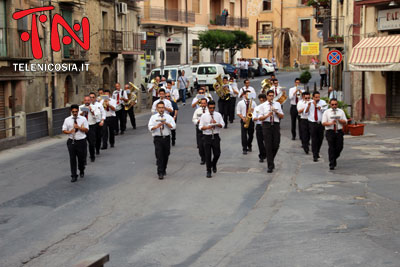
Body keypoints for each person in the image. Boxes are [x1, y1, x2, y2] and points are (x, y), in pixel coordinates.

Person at [148, 101, 176, 180]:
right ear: (157, 109)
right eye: (159, 108)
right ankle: (160, 172)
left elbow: (173, 127)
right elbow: (150, 127)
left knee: (166, 154)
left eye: (162, 107)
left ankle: (164, 168)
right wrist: (156, 126)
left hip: (166, 137)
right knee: (159, 155)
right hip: (158, 138)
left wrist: (166, 123)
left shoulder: (168, 117)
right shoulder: (153, 117)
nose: (161, 109)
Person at [258, 90, 284, 173]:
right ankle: (270, 165)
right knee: (268, 145)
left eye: (272, 96)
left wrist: (276, 112)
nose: (271, 97)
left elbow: (282, 116)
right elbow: (260, 118)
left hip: (275, 125)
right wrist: (267, 115)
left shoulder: (277, 104)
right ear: (267, 96)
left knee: (276, 144)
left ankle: (271, 159)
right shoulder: (262, 106)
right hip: (266, 125)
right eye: (269, 95)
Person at [62, 104, 89, 182]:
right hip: (72, 141)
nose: (75, 113)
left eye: (76, 111)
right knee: (72, 159)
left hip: (81, 141)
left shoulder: (83, 119)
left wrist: (79, 127)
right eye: (73, 111)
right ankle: (74, 175)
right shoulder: (67, 120)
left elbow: (86, 130)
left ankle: (81, 169)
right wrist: (69, 131)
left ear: (78, 111)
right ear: (71, 111)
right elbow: (64, 130)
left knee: (81, 158)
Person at [199, 100, 225, 178]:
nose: (212, 109)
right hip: (207, 136)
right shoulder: (204, 116)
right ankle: (208, 170)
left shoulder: (218, 115)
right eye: (210, 108)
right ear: (208, 107)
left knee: (217, 153)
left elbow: (222, 125)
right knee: (208, 155)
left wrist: (216, 123)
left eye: (213, 108)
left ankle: (214, 164)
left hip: (216, 135)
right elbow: (200, 127)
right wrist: (207, 127)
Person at [322, 98, 347, 170]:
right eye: (332, 104)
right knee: (331, 147)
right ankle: (332, 163)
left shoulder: (341, 112)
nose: (334, 106)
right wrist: (330, 123)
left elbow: (345, 122)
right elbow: (323, 123)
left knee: (340, 146)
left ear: (337, 104)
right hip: (330, 131)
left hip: (339, 131)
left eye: (335, 104)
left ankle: (334, 158)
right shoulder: (327, 112)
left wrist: (339, 120)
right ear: (330, 105)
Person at [304, 91, 327, 162]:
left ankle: (317, 151)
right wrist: (308, 106)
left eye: (318, 97)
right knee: (314, 139)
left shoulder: (323, 102)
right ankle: (314, 155)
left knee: (320, 138)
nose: (318, 98)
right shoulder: (309, 102)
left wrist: (317, 106)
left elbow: (325, 111)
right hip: (312, 123)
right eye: (316, 97)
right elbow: (305, 112)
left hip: (320, 123)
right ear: (313, 97)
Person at [79, 95, 100, 163]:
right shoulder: (80, 107)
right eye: (86, 100)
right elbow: (78, 116)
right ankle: (83, 159)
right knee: (83, 144)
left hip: (91, 126)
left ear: (90, 101)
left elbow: (97, 117)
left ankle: (92, 155)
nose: (87, 102)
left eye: (88, 100)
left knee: (91, 143)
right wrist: (82, 113)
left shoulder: (95, 107)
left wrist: (91, 111)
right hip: (83, 127)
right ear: (84, 101)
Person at [236, 90, 257, 154]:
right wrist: (243, 118)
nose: (248, 96)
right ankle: (244, 148)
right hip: (244, 119)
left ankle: (249, 144)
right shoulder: (240, 103)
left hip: (250, 119)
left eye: (249, 94)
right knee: (244, 135)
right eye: (247, 94)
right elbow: (238, 112)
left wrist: (253, 110)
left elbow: (257, 111)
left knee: (251, 135)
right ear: (244, 95)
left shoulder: (253, 102)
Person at [192, 98, 209, 165]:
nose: (203, 104)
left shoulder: (209, 110)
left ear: (206, 103)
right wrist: (197, 121)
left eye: (204, 103)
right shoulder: (197, 110)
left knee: (206, 145)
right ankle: (202, 158)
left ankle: (207, 158)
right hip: (199, 129)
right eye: (202, 103)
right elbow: (194, 119)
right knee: (200, 145)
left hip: (207, 129)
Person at [91, 91, 105, 155]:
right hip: (91, 124)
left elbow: (103, 113)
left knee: (98, 137)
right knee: (92, 138)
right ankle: (92, 150)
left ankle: (97, 149)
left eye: (93, 97)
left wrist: (102, 121)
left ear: (95, 98)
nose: (92, 99)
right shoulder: (87, 105)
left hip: (98, 123)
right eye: (90, 97)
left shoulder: (99, 104)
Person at [253, 93, 267, 162]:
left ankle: (267, 153)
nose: (262, 101)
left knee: (267, 141)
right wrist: (260, 118)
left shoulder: (268, 107)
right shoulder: (257, 108)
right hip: (259, 125)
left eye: (263, 100)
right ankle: (262, 155)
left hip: (266, 125)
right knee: (260, 142)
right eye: (261, 100)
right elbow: (254, 118)